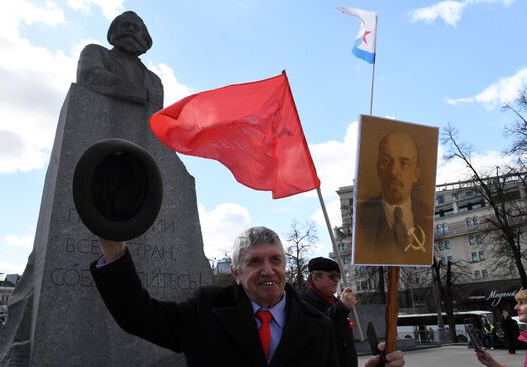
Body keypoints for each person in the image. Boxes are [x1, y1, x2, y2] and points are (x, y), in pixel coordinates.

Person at [91, 227, 406, 366]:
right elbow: (138, 315)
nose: (268, 270)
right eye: (254, 262)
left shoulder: (317, 326)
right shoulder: (206, 309)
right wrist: (112, 244)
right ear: (236, 273)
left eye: (275, 260)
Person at [355, 131, 433, 265]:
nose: (393, 171)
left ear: (416, 174)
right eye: (386, 161)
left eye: (404, 163)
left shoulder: (429, 216)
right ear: (378, 168)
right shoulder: (361, 217)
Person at [76, 11, 164, 107]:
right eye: (125, 25)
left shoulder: (154, 81)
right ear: (114, 31)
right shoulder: (96, 52)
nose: (130, 29)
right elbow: (89, 75)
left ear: (143, 37)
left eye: (136, 28)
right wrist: (139, 93)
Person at [301, 257, 358, 367]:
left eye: (338, 276)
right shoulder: (303, 302)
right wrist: (342, 306)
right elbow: (317, 328)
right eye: (332, 276)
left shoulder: (335, 301)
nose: (336, 280)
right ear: (315, 278)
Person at [475, 290, 527, 366]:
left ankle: (512, 350)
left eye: (522, 303)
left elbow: (512, 325)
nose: (516, 307)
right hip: (507, 332)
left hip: (510, 333)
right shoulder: (504, 318)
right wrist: (493, 363)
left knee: (510, 342)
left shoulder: (508, 318)